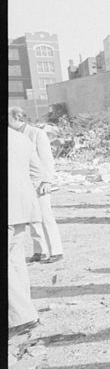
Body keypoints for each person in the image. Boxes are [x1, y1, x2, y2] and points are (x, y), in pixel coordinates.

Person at [8, 106, 64, 263]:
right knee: (32, 218)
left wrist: (47, 180)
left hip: (40, 183)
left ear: (17, 117)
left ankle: (56, 250)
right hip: (24, 184)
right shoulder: (13, 136)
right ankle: (40, 250)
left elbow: (47, 159)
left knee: (45, 216)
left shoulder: (36, 133)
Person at [8, 126, 44, 338]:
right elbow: (37, 172)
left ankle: (20, 317)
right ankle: (24, 311)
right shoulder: (20, 138)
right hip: (22, 207)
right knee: (16, 261)